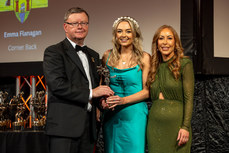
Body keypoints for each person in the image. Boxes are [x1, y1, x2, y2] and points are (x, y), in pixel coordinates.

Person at [43, 7, 114, 153]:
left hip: (88, 129)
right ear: (65, 27)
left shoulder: (93, 55)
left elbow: (93, 89)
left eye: (84, 23)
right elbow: (57, 85)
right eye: (75, 23)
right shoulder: (54, 52)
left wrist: (101, 102)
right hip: (64, 129)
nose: (80, 26)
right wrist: (91, 93)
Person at [100, 16, 151, 153]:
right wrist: (103, 102)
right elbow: (102, 87)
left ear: (135, 34)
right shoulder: (107, 56)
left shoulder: (144, 57)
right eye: (119, 31)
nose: (123, 35)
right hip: (112, 114)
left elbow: (147, 91)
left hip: (134, 115)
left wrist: (122, 100)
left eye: (128, 31)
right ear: (115, 35)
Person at [147, 25, 194, 153]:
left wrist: (185, 127)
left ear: (175, 42)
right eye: (161, 38)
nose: (165, 42)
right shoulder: (153, 67)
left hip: (177, 127)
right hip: (154, 127)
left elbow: (189, 99)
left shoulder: (185, 64)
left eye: (169, 38)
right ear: (156, 43)